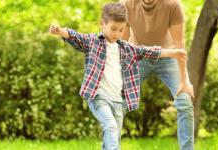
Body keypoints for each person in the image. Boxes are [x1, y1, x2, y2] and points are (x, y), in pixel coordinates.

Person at [49, 2, 189, 150]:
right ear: (102, 24)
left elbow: (149, 51)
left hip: (118, 101)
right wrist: (60, 31)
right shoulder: (93, 42)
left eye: (121, 30)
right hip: (99, 97)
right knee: (110, 126)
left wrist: (173, 52)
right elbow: (77, 37)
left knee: (112, 136)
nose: (117, 34)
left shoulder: (127, 49)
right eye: (113, 29)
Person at [120, 0, 195, 149]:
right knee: (116, 100)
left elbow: (179, 43)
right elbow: (122, 44)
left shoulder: (172, 5)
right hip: (138, 57)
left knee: (185, 101)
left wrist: (184, 81)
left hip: (168, 57)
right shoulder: (125, 5)